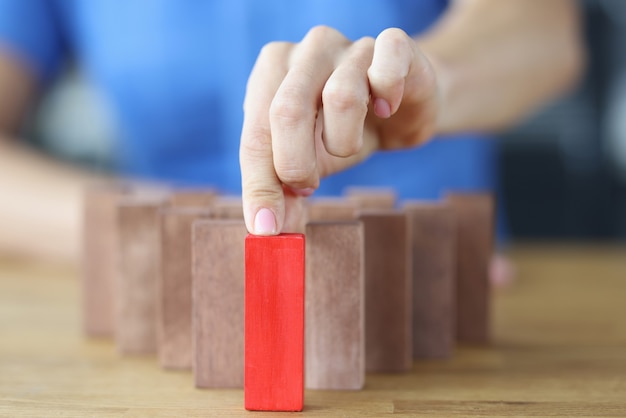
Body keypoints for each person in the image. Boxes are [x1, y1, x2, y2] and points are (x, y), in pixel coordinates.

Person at [0, 1, 583, 266]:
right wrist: (164, 231)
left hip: (439, 293)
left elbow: (545, 29)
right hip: (165, 302)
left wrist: (430, 80)